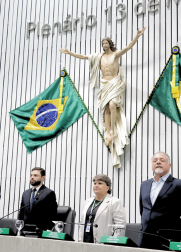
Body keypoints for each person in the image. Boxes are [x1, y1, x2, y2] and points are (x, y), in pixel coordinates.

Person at [59, 27, 146, 168]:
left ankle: (112, 131)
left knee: (112, 105)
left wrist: (137, 35)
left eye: (106, 43)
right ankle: (108, 131)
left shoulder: (116, 55)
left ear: (110, 44)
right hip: (104, 84)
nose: (104, 45)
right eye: (103, 43)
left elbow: (129, 46)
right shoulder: (98, 57)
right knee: (105, 109)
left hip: (115, 83)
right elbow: (84, 57)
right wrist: (69, 53)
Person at [138, 152, 181, 250]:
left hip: (167, 240)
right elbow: (143, 210)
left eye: (162, 160)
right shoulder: (144, 184)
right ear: (152, 165)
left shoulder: (179, 185)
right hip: (145, 238)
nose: (158, 162)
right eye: (155, 161)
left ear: (169, 165)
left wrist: (176, 235)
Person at [78, 174, 126, 243]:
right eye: (94, 183)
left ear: (107, 188)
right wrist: (80, 239)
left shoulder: (115, 202)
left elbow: (120, 226)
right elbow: (81, 222)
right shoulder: (87, 202)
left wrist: (114, 243)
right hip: (85, 241)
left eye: (100, 183)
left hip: (104, 244)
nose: (96, 185)